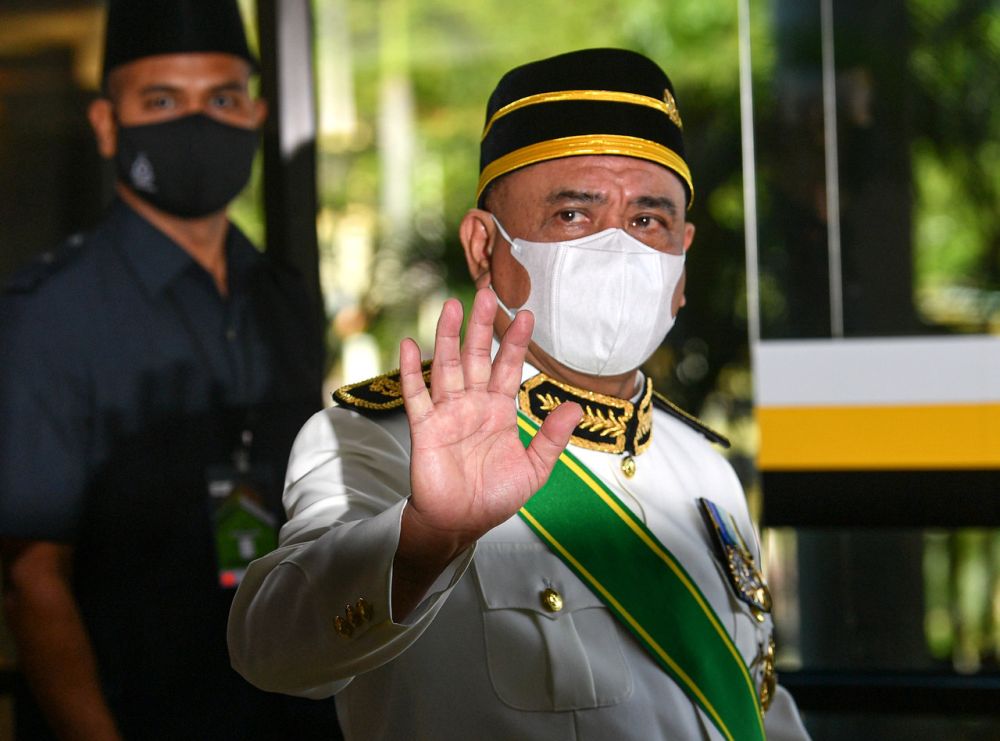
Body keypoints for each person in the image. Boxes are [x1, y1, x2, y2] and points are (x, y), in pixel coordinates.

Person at [228, 48, 810, 740]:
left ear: (682, 261)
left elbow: (760, 709)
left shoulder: (705, 467)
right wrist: (427, 537)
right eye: (573, 215)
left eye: (648, 221)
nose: (619, 247)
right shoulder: (376, 440)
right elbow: (273, 648)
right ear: (482, 247)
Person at [0, 1, 338, 739]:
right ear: (106, 124)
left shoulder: (283, 297)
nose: (197, 122)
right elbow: (33, 582)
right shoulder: (49, 314)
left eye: (221, 99)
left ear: (255, 113)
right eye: (162, 101)